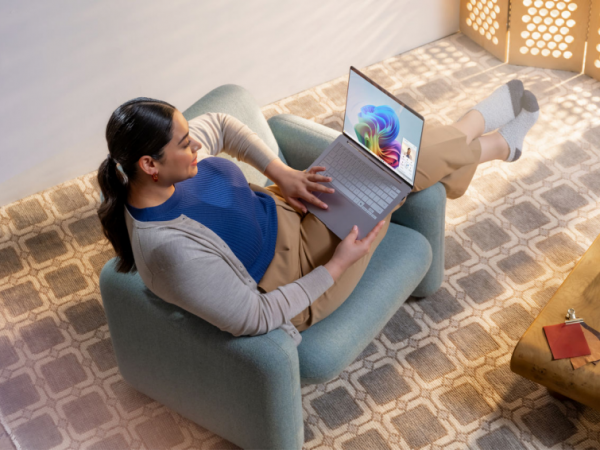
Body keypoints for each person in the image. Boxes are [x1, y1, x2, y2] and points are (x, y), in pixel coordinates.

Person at [97, 80, 539, 345]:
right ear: (149, 165)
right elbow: (255, 316)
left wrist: (284, 173)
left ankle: (479, 142)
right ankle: (486, 139)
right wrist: (337, 265)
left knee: (379, 144)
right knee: (387, 169)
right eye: (184, 143)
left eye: (190, 135)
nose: (197, 144)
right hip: (296, 274)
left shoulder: (167, 169)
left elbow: (224, 125)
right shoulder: (168, 249)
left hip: (286, 204)